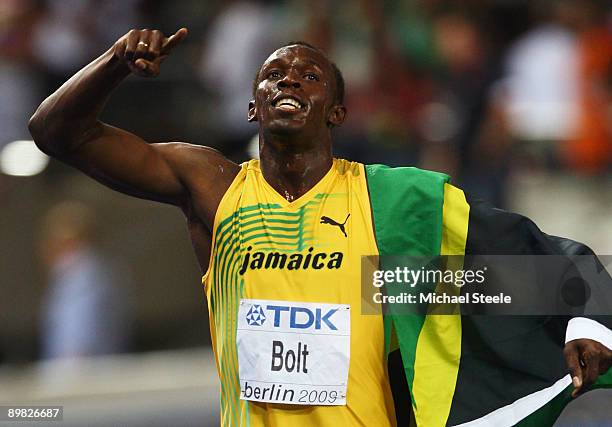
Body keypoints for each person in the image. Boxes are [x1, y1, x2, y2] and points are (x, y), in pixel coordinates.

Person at [29, 28, 612, 426]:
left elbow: (529, 259)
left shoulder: (392, 208)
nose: (288, 81)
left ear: (336, 111)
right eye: (274, 75)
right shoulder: (213, 187)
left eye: (309, 77)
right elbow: (57, 134)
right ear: (254, 107)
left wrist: (588, 319)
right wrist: (112, 65)